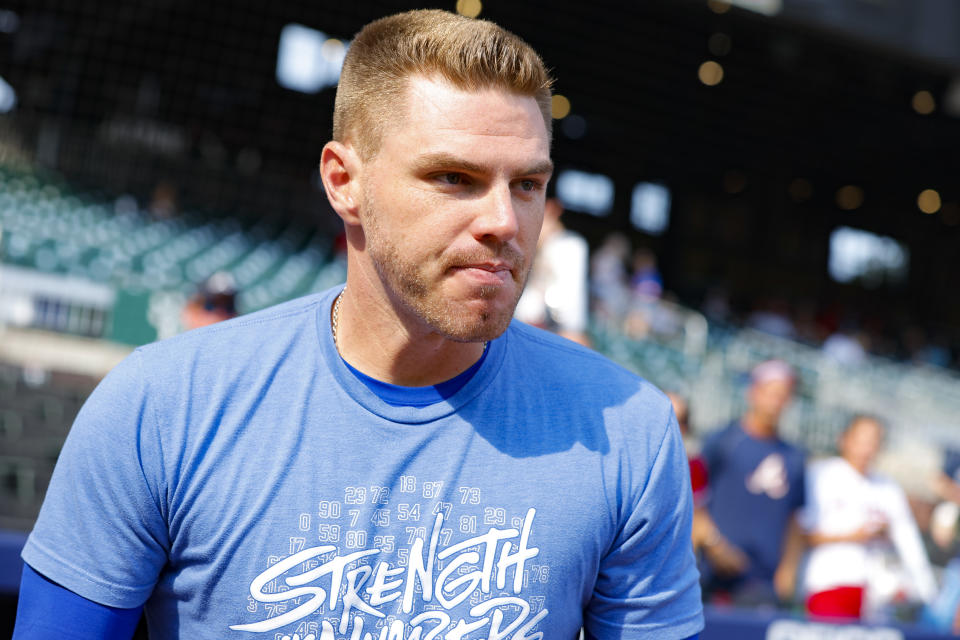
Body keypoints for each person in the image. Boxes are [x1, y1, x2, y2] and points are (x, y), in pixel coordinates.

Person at [15, 10, 703, 639]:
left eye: (527, 185)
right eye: (454, 178)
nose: (503, 223)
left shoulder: (626, 430)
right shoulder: (163, 405)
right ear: (344, 181)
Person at [801, 416, 936, 620]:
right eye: (861, 440)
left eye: (873, 442)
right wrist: (854, 535)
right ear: (844, 439)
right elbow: (800, 534)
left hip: (876, 596)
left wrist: (928, 593)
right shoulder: (819, 475)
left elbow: (909, 543)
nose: (867, 449)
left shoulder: (887, 487)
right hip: (826, 585)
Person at [698, 359, 806, 607]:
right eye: (771, 392)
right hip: (713, 576)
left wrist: (788, 570)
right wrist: (714, 544)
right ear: (753, 392)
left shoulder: (794, 456)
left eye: (784, 394)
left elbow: (795, 520)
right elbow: (691, 500)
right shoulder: (722, 441)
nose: (777, 401)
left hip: (763, 583)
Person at [513, 197, 591, 346]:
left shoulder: (570, 246)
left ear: (552, 209)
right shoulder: (518, 244)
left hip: (556, 332)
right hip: (520, 328)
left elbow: (572, 315)